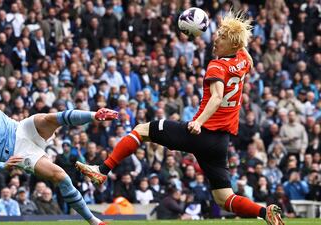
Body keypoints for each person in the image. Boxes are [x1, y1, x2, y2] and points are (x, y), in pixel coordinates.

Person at [77, 11, 284, 225]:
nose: (216, 38)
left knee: (141, 130)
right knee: (224, 199)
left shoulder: (217, 66)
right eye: (218, 34)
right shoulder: (243, 60)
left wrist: (198, 122)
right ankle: (264, 212)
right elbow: (244, 52)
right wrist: (236, 37)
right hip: (220, 142)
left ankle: (102, 170)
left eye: (222, 37)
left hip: (201, 133)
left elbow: (217, 97)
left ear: (232, 45)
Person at [0, 71, 118, 225]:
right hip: (14, 151)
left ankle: (95, 115)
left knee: (47, 118)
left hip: (19, 128)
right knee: (61, 177)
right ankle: (95, 222)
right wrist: (3, 166)